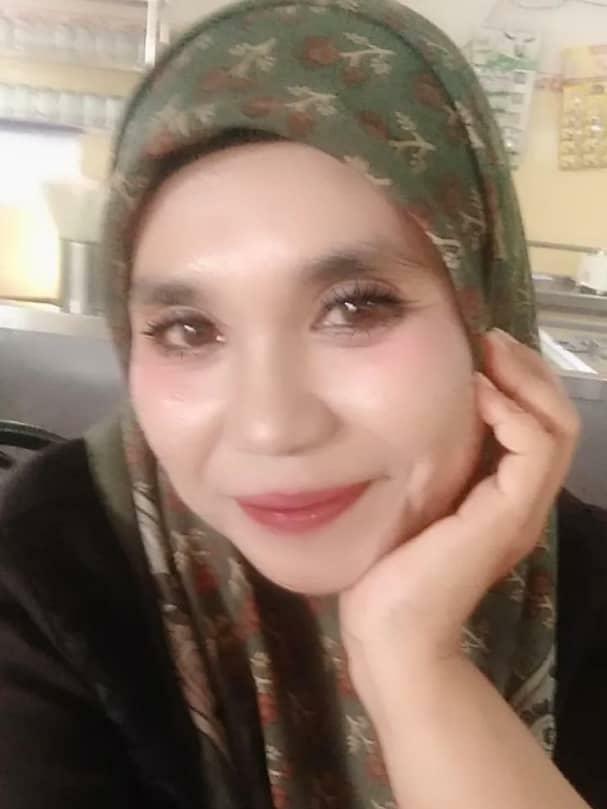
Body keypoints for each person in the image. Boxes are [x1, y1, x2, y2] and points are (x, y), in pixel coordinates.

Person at [0, 0, 605, 807]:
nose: (270, 427)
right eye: (187, 329)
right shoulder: (45, 567)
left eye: (356, 307)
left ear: (481, 313)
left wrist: (413, 661)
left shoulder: (591, 589)